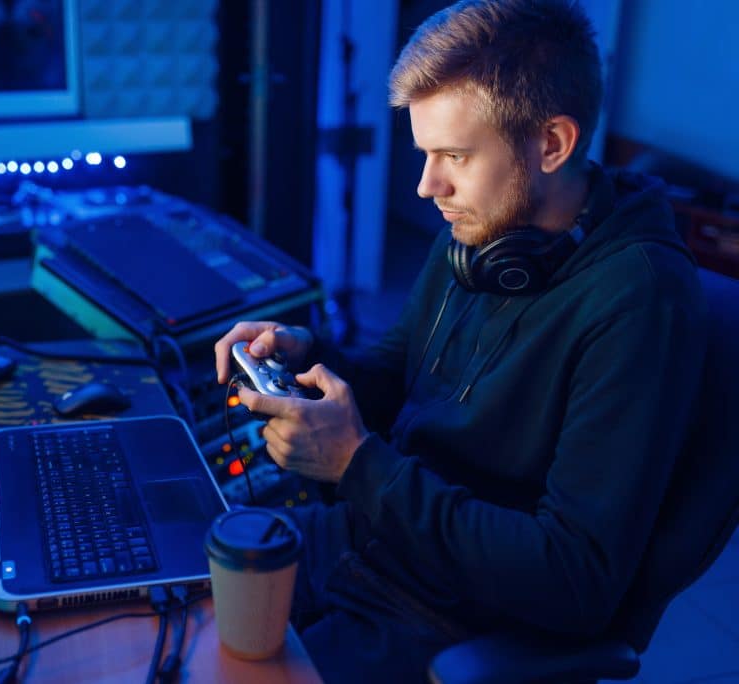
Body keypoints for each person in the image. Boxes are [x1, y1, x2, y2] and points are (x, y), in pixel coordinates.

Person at [212, 0, 707, 681]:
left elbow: (575, 577)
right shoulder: (480, 233)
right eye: (425, 153)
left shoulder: (639, 299)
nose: (426, 186)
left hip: (445, 618)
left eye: (454, 156)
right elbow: (395, 377)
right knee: (164, 605)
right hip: (362, 544)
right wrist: (307, 354)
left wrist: (357, 464)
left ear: (553, 144)